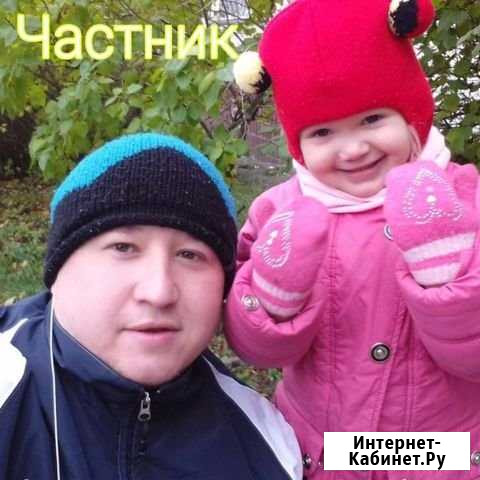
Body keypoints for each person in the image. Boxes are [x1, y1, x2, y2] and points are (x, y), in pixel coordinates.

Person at [226, 0, 480, 479]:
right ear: (299, 144)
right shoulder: (279, 215)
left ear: (411, 114)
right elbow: (257, 350)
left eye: (372, 119)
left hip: (442, 459)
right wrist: (273, 301)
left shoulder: (466, 200)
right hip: (320, 458)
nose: (353, 148)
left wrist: (448, 279)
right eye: (323, 132)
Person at [0, 133, 303, 480]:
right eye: (124, 248)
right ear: (58, 270)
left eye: (189, 255)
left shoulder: (269, 439)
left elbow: (349, 455)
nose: (159, 292)